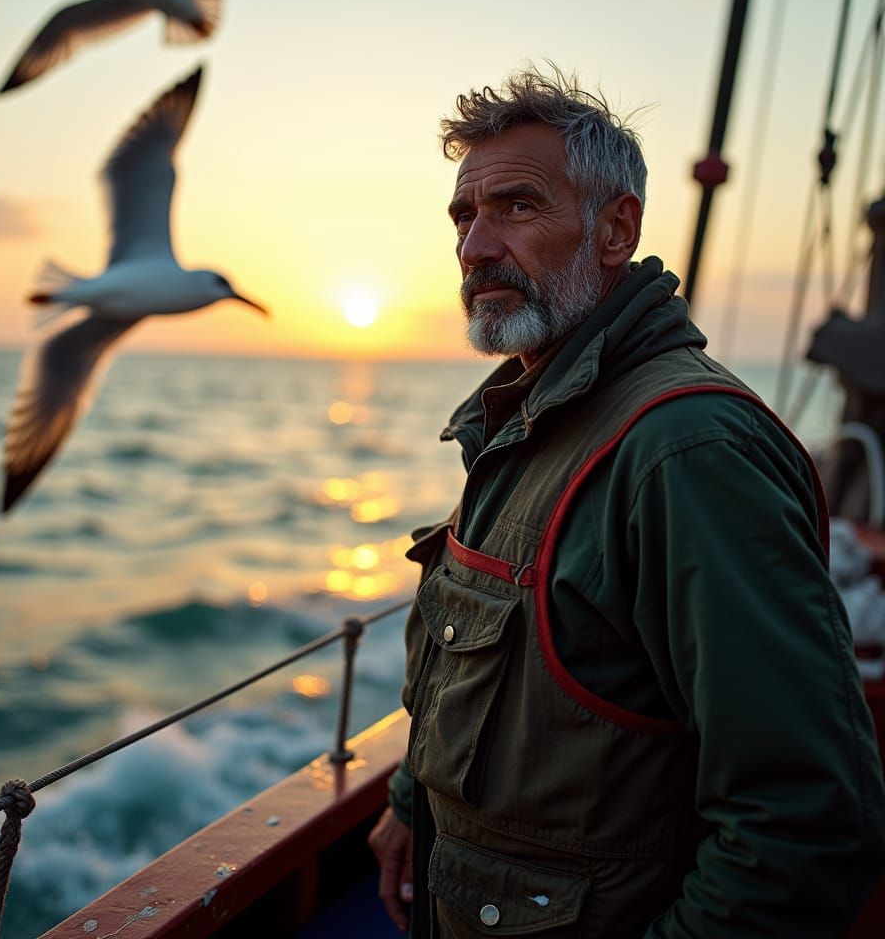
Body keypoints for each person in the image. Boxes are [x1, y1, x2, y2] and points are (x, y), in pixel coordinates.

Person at [368, 64, 885, 937]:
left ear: (616, 229)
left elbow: (806, 824)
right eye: (464, 215)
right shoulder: (527, 422)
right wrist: (411, 801)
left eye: (518, 208)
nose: (474, 247)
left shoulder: (686, 454)